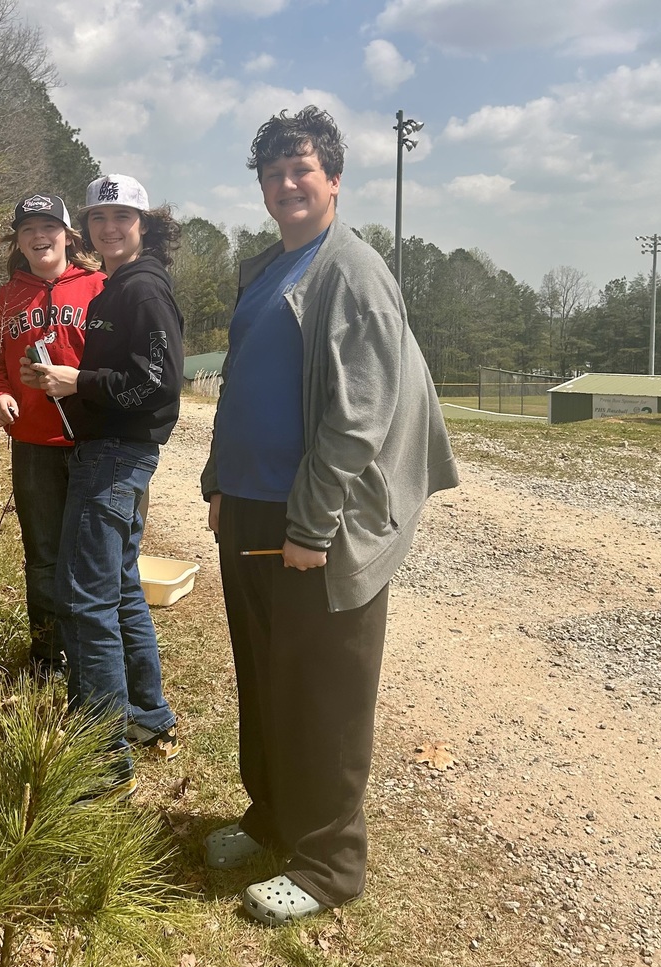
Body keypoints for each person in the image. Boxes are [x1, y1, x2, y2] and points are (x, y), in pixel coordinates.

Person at [200, 107, 459, 924]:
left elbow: (358, 419)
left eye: (300, 169)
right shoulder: (263, 269)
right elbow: (239, 385)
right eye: (272, 173)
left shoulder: (354, 273)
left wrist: (311, 528)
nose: (285, 185)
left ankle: (329, 863)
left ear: (334, 178)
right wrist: (217, 483)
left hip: (315, 526)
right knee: (267, 678)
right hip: (248, 509)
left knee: (323, 692)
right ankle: (272, 819)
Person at [23, 174, 185, 799]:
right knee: (118, 588)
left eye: (122, 217)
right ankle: (147, 717)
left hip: (115, 455)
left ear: (145, 224)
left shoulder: (140, 288)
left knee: (83, 597)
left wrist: (76, 382)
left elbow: (159, 381)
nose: (108, 228)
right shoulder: (120, 284)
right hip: (114, 451)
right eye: (98, 218)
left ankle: (100, 757)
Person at [0, 193, 105, 676]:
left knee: (95, 558)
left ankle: (97, 658)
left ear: (69, 235)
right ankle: (48, 655)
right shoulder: (7, 299)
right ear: (18, 241)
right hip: (34, 447)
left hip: (96, 446)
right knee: (44, 555)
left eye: (49, 226)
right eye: (28, 229)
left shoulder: (99, 287)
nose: (39, 235)